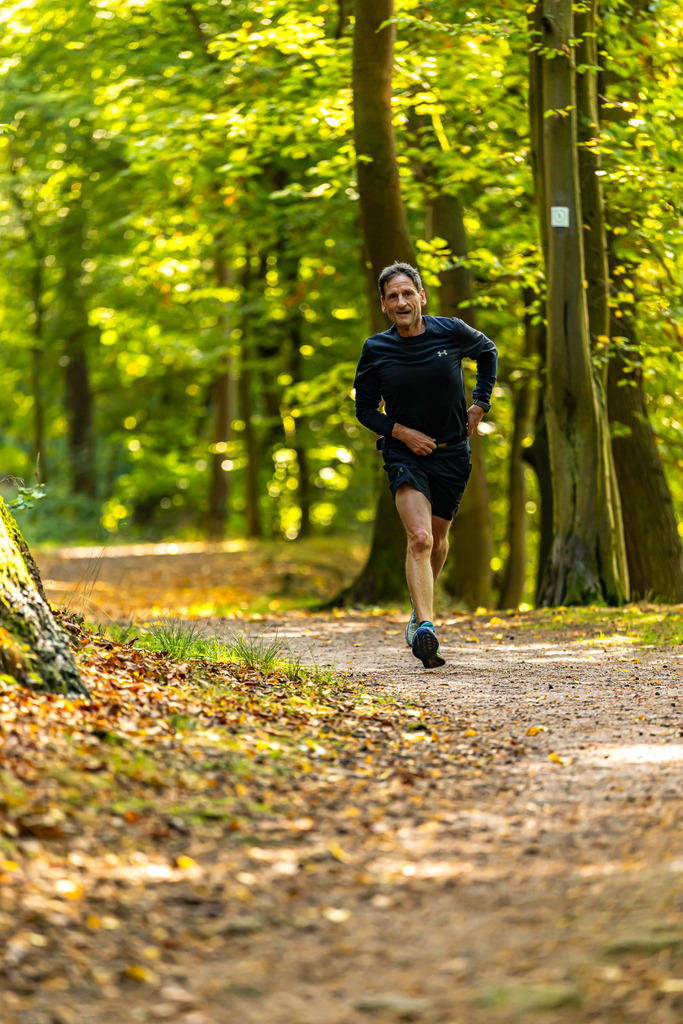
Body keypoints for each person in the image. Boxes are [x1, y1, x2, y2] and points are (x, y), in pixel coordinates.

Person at [353, 261, 497, 669]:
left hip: (452, 452)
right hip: (404, 454)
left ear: (422, 297)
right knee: (420, 539)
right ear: (383, 304)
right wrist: (401, 433)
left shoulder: (450, 331)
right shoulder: (376, 349)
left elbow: (488, 351)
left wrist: (481, 403)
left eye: (407, 293)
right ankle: (427, 630)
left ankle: (418, 612)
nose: (401, 302)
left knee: (439, 539)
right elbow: (365, 409)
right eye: (393, 296)